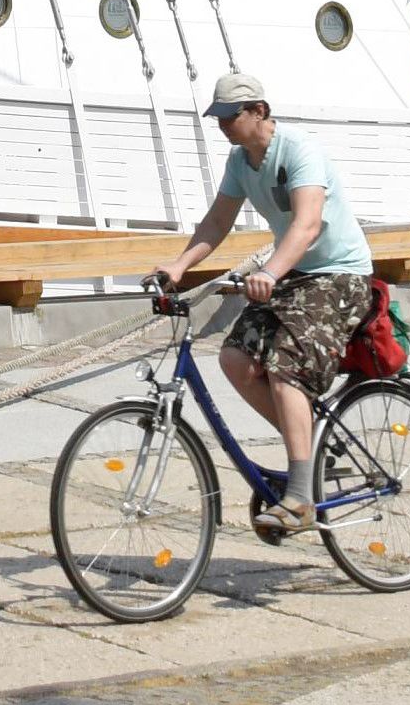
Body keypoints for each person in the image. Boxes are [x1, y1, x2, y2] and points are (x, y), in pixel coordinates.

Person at [154, 73, 374, 536]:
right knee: (235, 359)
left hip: (339, 275)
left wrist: (270, 272)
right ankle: (309, 449)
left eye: (231, 117)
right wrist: (178, 266)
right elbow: (217, 221)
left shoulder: (299, 150)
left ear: (259, 111)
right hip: (290, 275)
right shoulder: (240, 161)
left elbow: (308, 224)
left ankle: (299, 497)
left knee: (283, 368)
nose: (224, 126)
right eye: (218, 118)